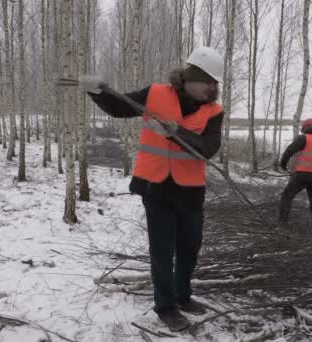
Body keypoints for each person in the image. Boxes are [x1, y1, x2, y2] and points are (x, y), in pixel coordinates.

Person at [79, 46, 224, 332]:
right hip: (156, 188)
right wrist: (96, 92)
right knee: (162, 250)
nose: (211, 88)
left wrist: (175, 133)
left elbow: (208, 148)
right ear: (189, 78)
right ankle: (166, 306)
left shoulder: (214, 111)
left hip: (191, 191)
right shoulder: (156, 93)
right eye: (207, 82)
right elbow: (121, 107)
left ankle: (183, 296)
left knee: (189, 249)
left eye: (214, 83)